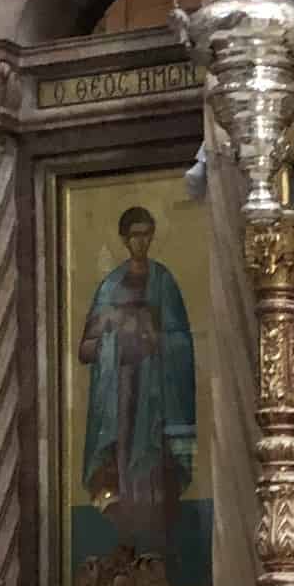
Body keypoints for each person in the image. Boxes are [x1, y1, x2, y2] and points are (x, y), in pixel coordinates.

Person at [78, 205, 195, 563]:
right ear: (124, 239)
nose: (140, 242)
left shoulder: (164, 281)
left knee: (153, 463)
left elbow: (183, 342)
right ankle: (125, 536)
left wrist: (154, 338)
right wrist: (114, 340)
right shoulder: (110, 287)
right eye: (134, 235)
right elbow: (85, 350)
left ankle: (153, 539)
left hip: (156, 392)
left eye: (146, 234)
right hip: (121, 393)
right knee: (121, 461)